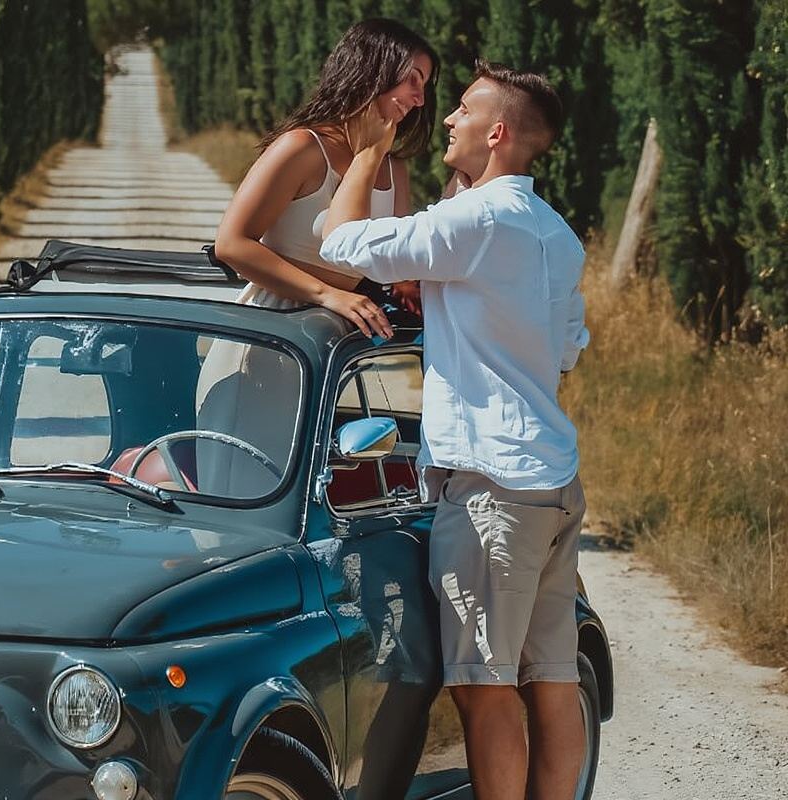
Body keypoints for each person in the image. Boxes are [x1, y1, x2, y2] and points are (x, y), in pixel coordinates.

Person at [318, 61, 590, 800]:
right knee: (554, 677)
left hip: (491, 491)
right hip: (552, 478)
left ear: (497, 132)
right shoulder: (555, 234)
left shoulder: (476, 223)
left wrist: (372, 149)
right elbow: (567, 347)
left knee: (483, 685)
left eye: (462, 110)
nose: (445, 119)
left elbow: (339, 245)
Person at [194, 19, 438, 497]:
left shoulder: (395, 167)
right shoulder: (303, 147)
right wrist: (328, 294)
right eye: (412, 78)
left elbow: (390, 261)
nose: (420, 97)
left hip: (330, 355)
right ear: (373, 68)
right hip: (264, 341)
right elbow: (233, 243)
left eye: (425, 85)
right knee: (242, 491)